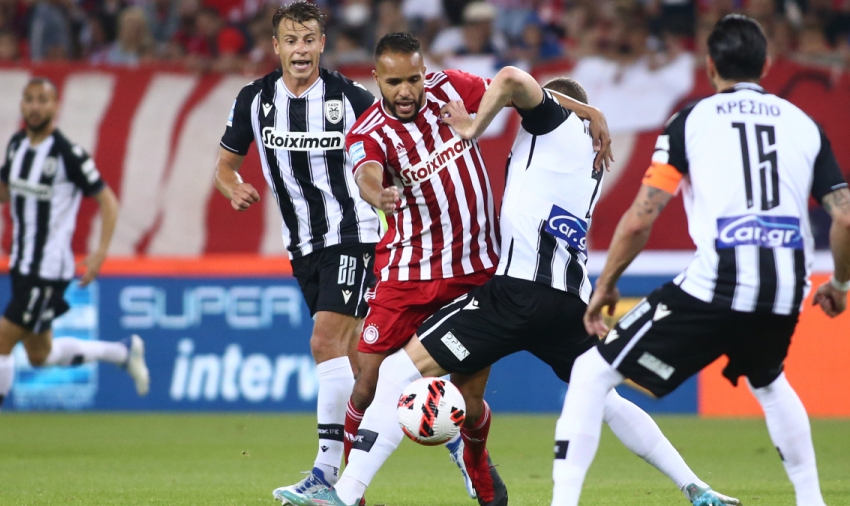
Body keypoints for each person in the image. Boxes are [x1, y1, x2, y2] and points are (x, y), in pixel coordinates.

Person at [281, 68, 738, 506]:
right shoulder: (593, 156)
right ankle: (696, 488)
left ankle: (344, 494)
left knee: (396, 372)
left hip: (516, 293)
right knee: (606, 399)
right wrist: (592, 111)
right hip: (569, 305)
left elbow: (513, 80)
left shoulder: (552, 122)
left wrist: (472, 126)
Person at [280, 32, 607, 506]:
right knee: (367, 382)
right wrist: (377, 194)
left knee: (469, 402)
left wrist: (586, 110)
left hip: (475, 271)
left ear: (424, 71)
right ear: (376, 79)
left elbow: (521, 89)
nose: (407, 91)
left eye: (413, 79)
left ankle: (478, 468)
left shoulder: (450, 87)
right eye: (394, 82)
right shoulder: (367, 132)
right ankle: (347, 490)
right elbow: (366, 172)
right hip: (407, 272)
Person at [550, 14, 850, 506]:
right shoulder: (805, 125)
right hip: (785, 286)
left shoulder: (691, 121)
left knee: (591, 371)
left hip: (718, 280)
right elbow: (845, 218)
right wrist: (839, 283)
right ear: (766, 65)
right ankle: (811, 500)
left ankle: (563, 502)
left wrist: (606, 284)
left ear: (710, 65)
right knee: (769, 379)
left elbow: (641, 218)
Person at [211, 4, 471, 503]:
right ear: (276, 46)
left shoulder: (350, 98)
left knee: (324, 340)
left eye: (309, 39)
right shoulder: (254, 100)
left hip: (354, 233)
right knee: (364, 370)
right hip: (302, 246)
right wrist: (233, 186)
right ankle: (447, 431)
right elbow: (225, 165)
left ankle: (326, 473)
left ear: (322, 44)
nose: (301, 49)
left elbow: (390, 144)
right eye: (291, 40)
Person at [0, 77, 149, 454]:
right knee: (40, 355)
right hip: (22, 264)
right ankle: (122, 352)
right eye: (29, 99)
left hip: (47, 269)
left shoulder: (68, 154)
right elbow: (9, 188)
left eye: (43, 100)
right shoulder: (17, 145)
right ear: (22, 106)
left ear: (56, 106)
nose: (35, 106)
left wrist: (100, 252)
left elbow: (108, 200)